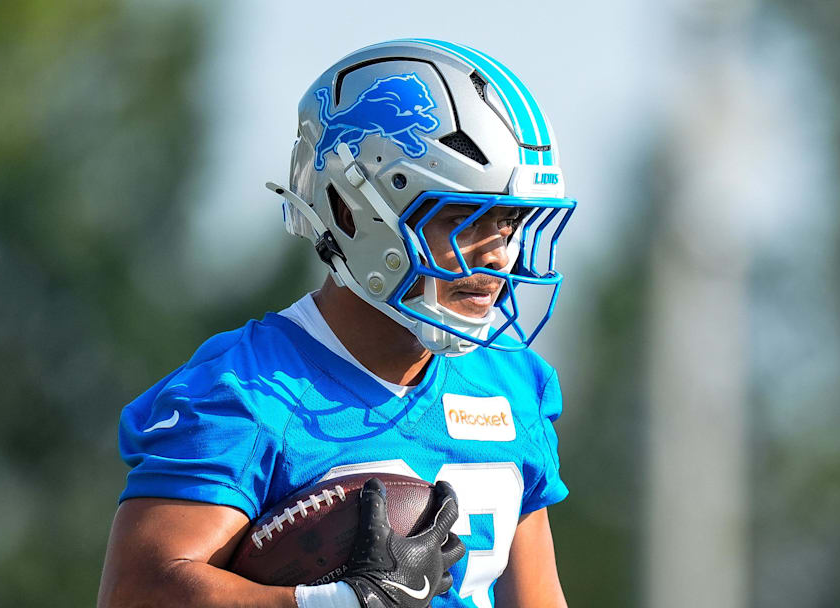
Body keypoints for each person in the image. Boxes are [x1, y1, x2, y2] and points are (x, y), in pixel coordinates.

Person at [98, 38, 576, 608]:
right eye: (461, 217)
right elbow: (138, 592)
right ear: (353, 211)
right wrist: (340, 603)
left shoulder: (512, 384)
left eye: (508, 221)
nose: (498, 254)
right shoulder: (247, 392)